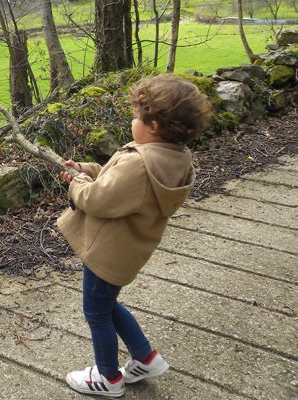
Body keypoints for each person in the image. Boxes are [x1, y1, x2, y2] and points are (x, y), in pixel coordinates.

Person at [58, 75, 212, 397]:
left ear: (153, 125)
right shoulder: (172, 158)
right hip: (126, 253)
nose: (133, 120)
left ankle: (108, 378)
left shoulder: (140, 164)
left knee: (95, 312)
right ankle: (145, 358)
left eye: (138, 116)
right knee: (106, 305)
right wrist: (89, 170)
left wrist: (76, 183)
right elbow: (119, 185)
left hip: (106, 254)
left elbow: (99, 200)